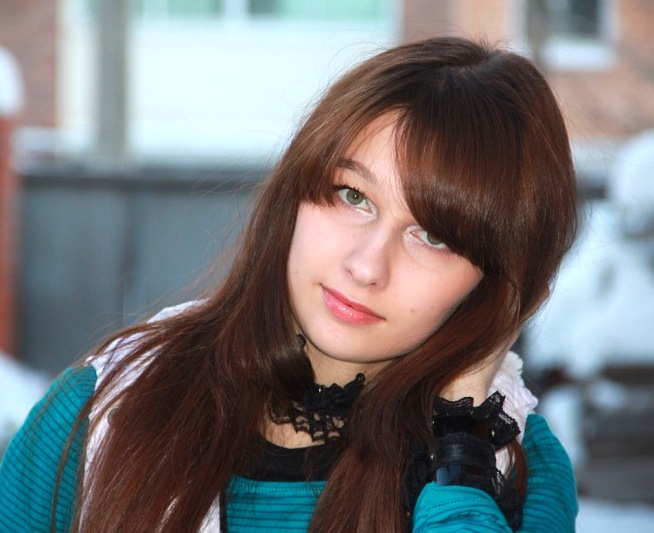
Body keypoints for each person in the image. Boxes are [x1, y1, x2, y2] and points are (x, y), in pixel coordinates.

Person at [0, 36, 578, 532]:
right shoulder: (105, 408)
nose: (366, 266)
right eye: (352, 196)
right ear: (296, 193)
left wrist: (461, 462)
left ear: (496, 287)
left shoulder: (516, 467)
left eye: (432, 236)